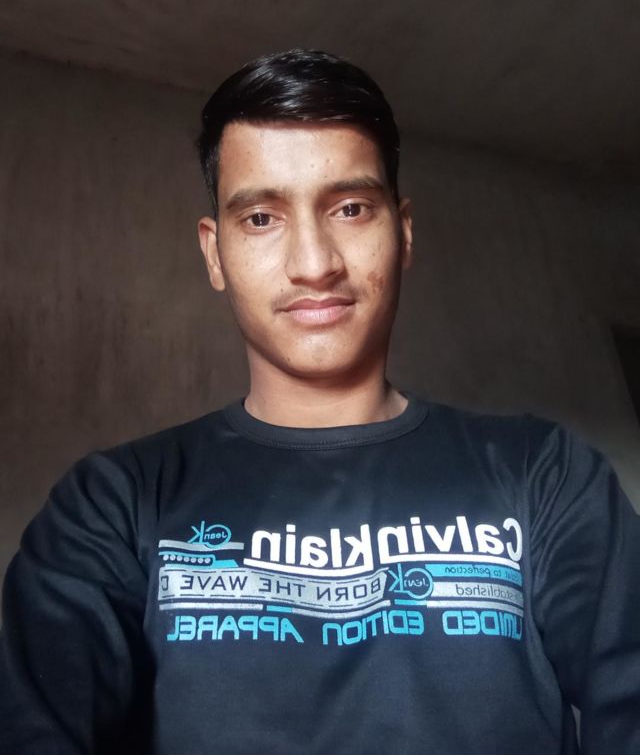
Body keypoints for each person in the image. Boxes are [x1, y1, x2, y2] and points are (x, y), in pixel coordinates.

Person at [1, 48, 638, 755]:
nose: (314, 264)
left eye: (351, 208)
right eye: (261, 218)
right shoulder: (112, 503)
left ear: (402, 231)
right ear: (214, 253)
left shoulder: (543, 475)